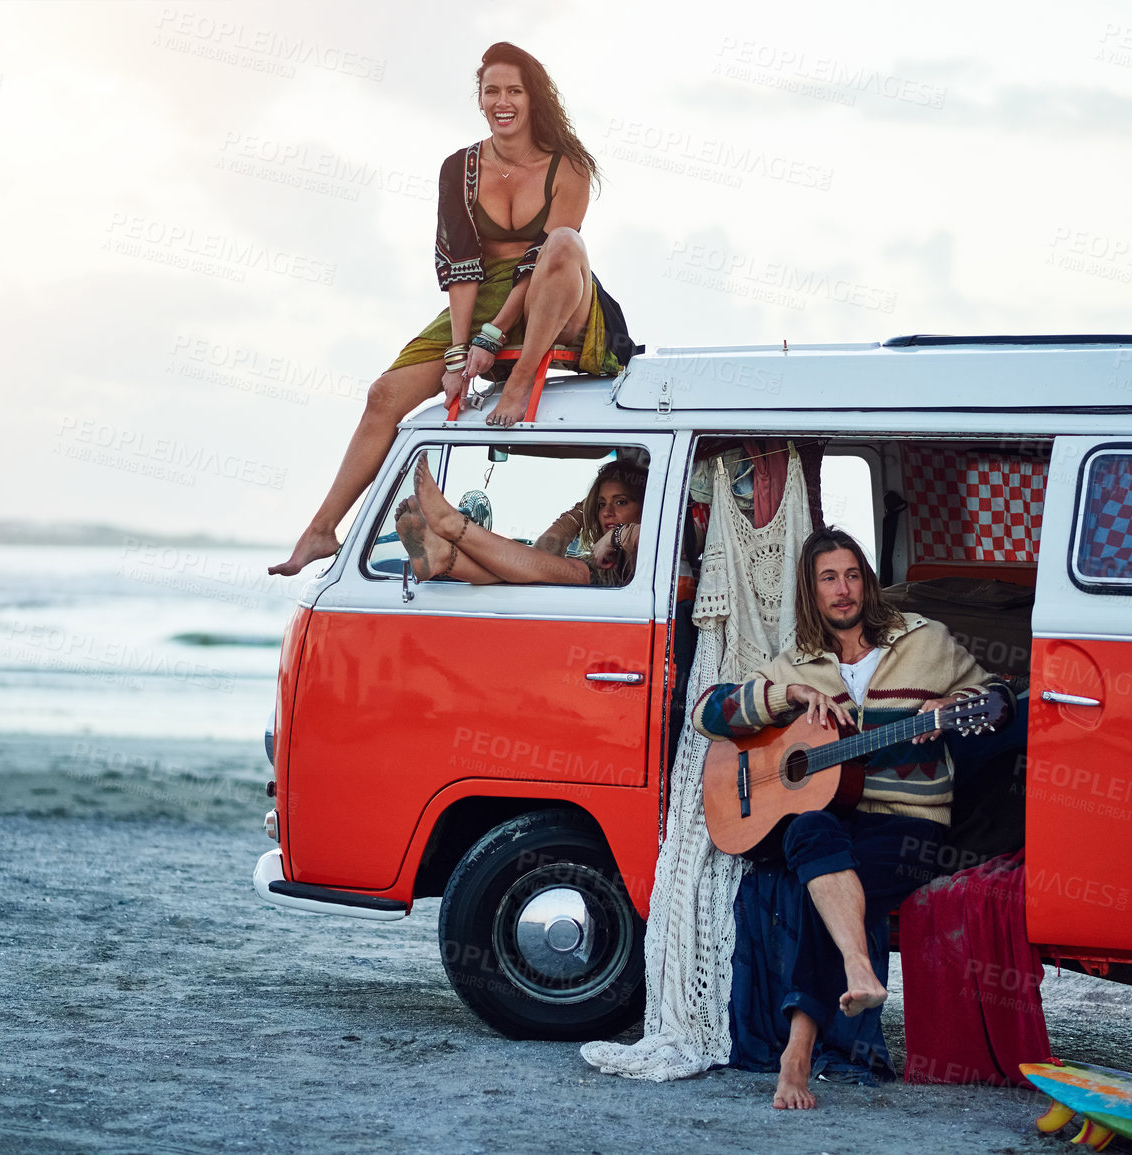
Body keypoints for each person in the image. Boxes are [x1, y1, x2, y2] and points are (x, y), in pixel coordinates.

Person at [270, 42, 634, 578]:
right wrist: (461, 350)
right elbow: (461, 267)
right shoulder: (459, 168)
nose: (502, 101)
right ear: (480, 99)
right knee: (382, 396)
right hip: (482, 292)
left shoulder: (569, 167)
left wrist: (493, 341)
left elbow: (539, 263)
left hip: (558, 293)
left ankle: (523, 375)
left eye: (514, 90)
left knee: (561, 243)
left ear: (533, 99)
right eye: (492, 91)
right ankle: (321, 530)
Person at [694, 527, 1012, 1110]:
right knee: (813, 836)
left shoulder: (926, 641)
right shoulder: (796, 663)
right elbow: (707, 713)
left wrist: (951, 706)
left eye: (852, 575)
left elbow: (1002, 699)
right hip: (833, 822)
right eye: (828, 579)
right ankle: (858, 970)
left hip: (909, 822)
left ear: (866, 580)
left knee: (825, 886)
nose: (843, 590)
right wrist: (783, 697)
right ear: (810, 593)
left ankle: (796, 1052)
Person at [395, 456, 642, 587]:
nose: (607, 512)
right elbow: (544, 550)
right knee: (530, 567)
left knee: (572, 572)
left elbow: (662, 539)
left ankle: (451, 527)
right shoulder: (606, 556)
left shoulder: (662, 540)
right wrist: (583, 508)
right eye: (601, 505)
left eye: (621, 502)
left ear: (644, 507)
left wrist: (617, 536)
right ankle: (442, 556)